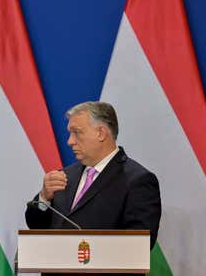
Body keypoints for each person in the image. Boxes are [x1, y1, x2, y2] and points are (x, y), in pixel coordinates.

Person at [25, 101, 161, 250]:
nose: (69, 141)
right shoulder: (64, 175)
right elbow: (36, 225)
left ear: (101, 133)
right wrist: (44, 197)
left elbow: (140, 244)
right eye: (70, 133)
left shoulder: (137, 180)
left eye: (77, 132)